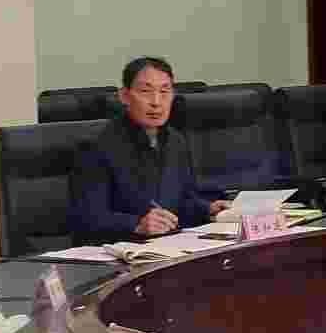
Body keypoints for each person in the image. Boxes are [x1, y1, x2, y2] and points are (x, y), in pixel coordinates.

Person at [68, 56, 228, 240]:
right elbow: (86, 217)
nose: (156, 102)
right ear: (124, 96)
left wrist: (208, 209)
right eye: (145, 91)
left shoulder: (175, 141)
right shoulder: (96, 146)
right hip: (118, 248)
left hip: (166, 245)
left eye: (164, 91)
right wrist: (137, 224)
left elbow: (180, 202)